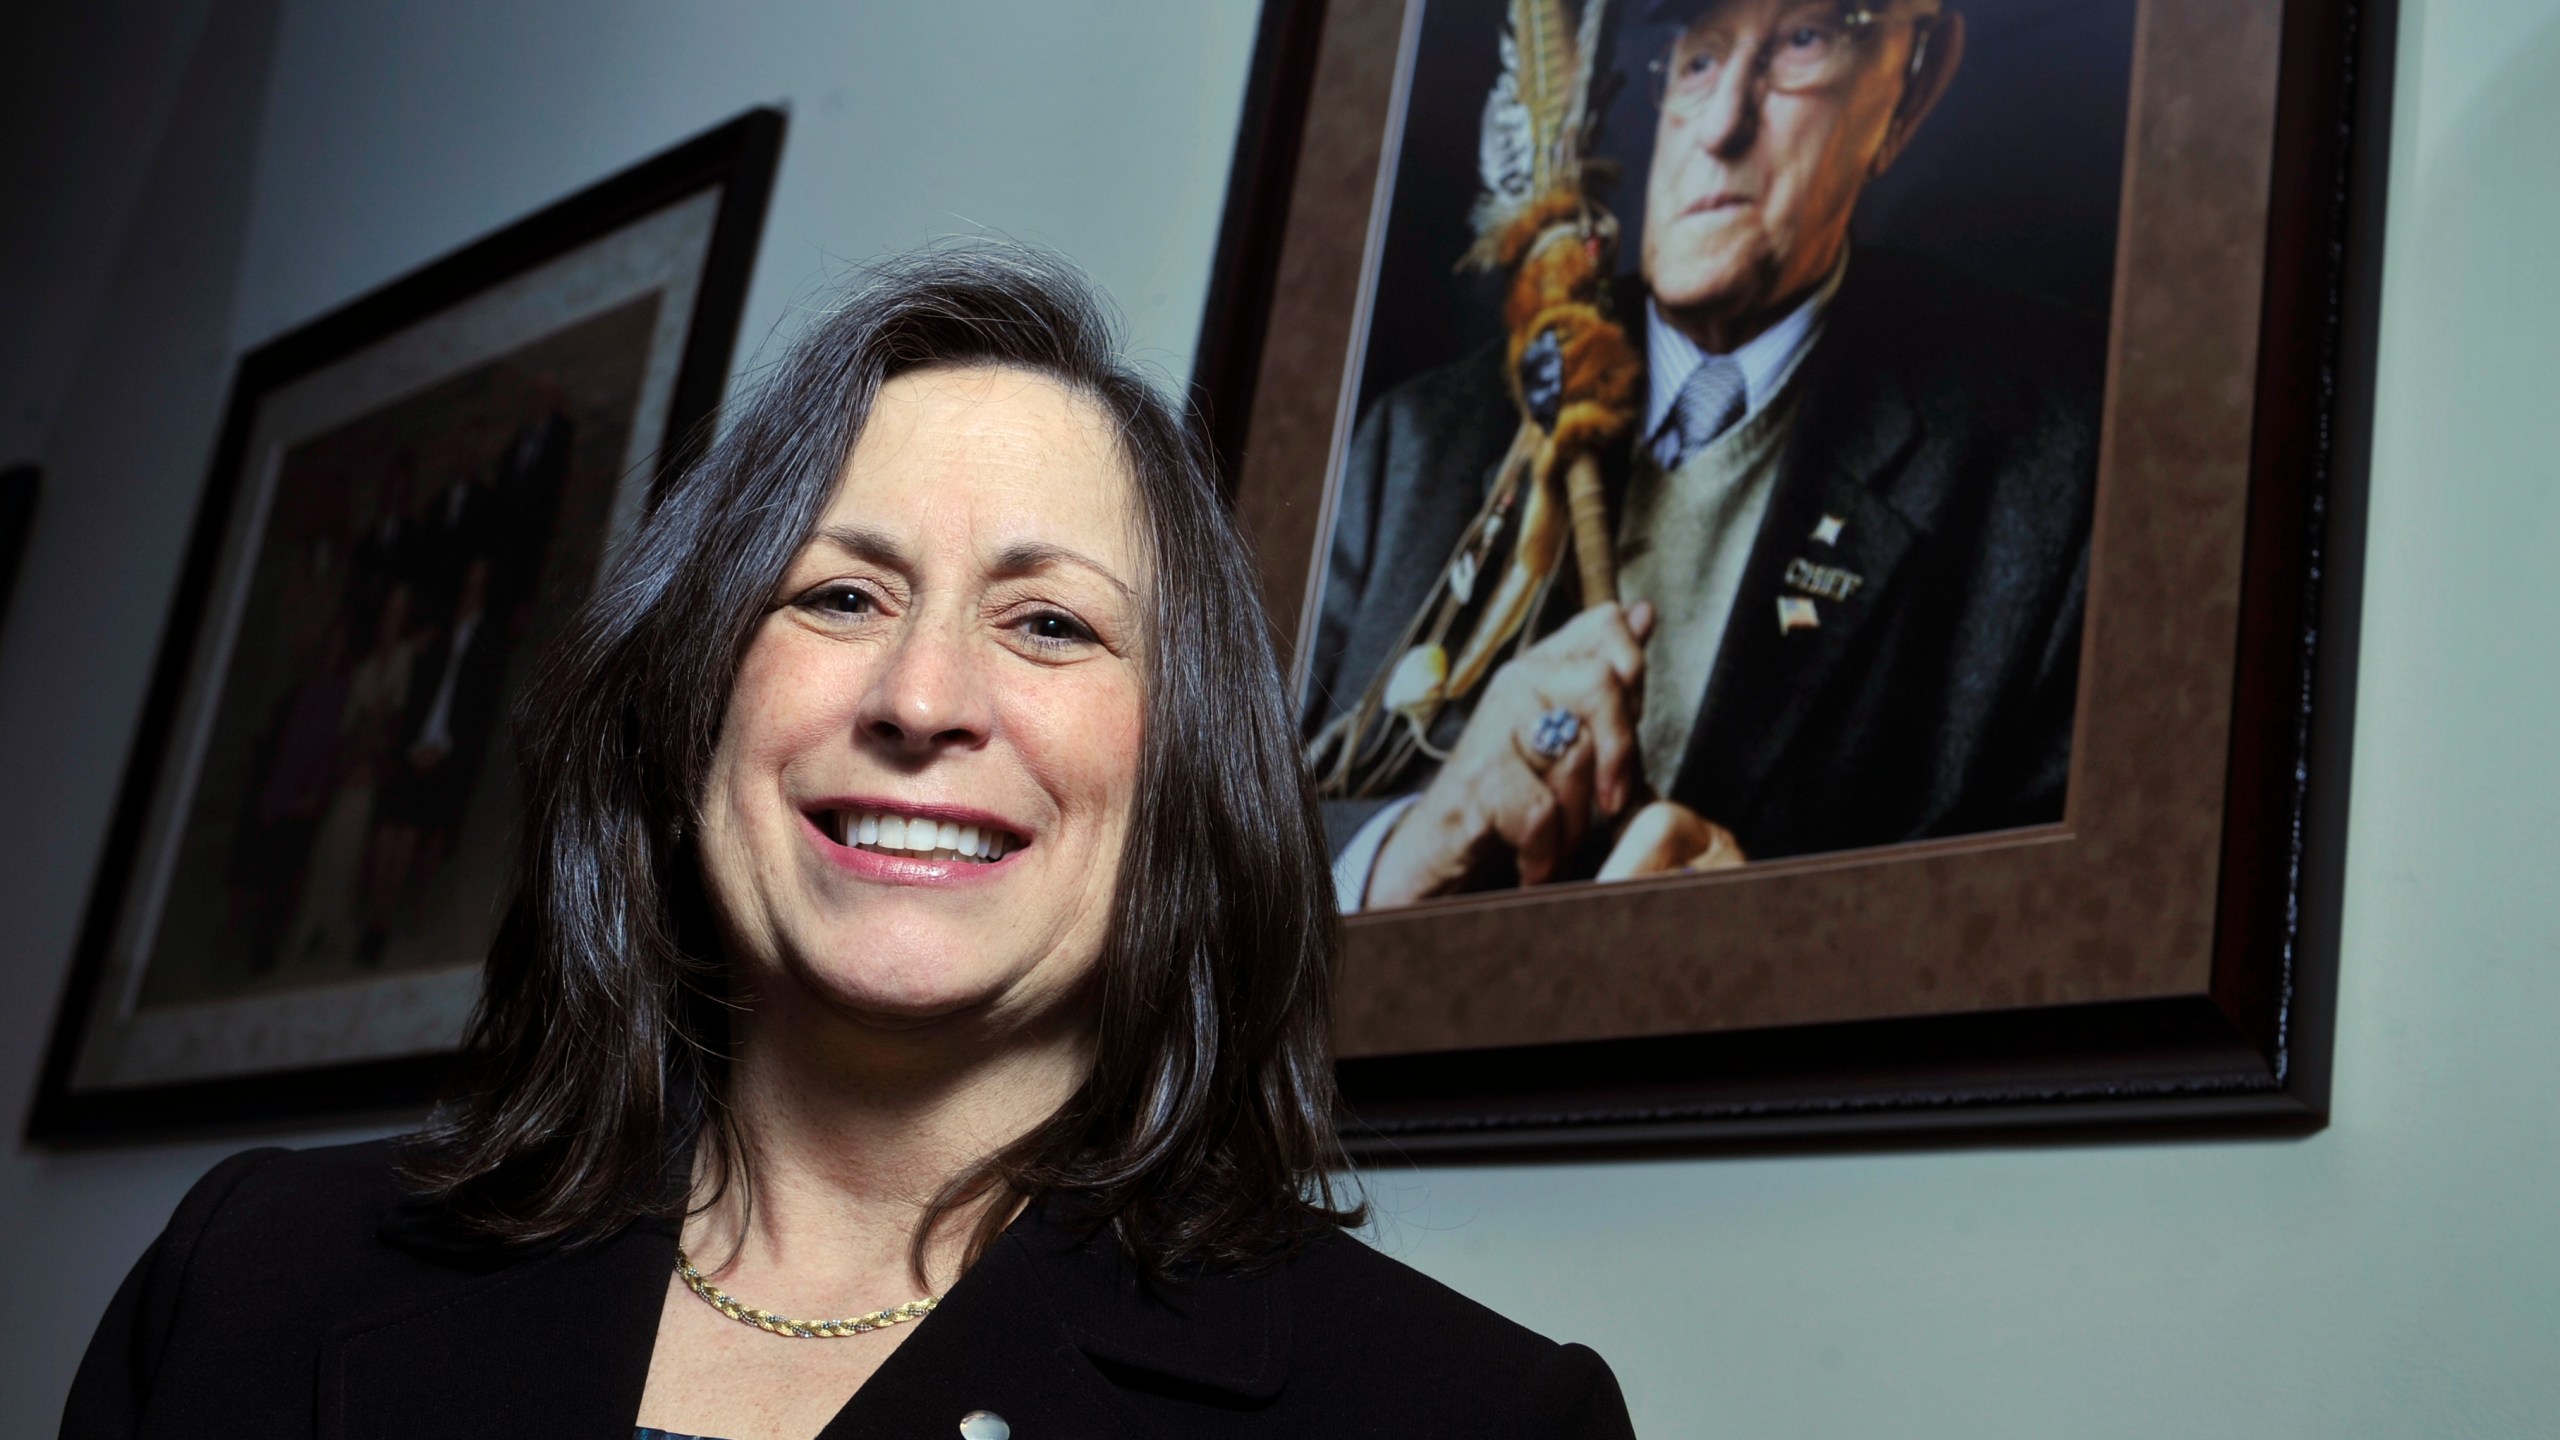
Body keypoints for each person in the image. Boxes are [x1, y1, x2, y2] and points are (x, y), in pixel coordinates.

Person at [63, 246, 1637, 1440]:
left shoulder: (1471, 1418)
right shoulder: (251, 1276)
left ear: (1186, 778)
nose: (923, 697)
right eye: (837, 595)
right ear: (689, 709)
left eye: (1048, 622)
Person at [1309, 0, 2103, 908]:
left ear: (1910, 87)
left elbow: (2059, 938)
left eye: (1801, 41)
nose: (1723, 126)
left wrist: (1766, 958)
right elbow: (1207, 868)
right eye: (1698, 61)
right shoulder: (1412, 449)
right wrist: (1408, 849)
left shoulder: (2050, 474)